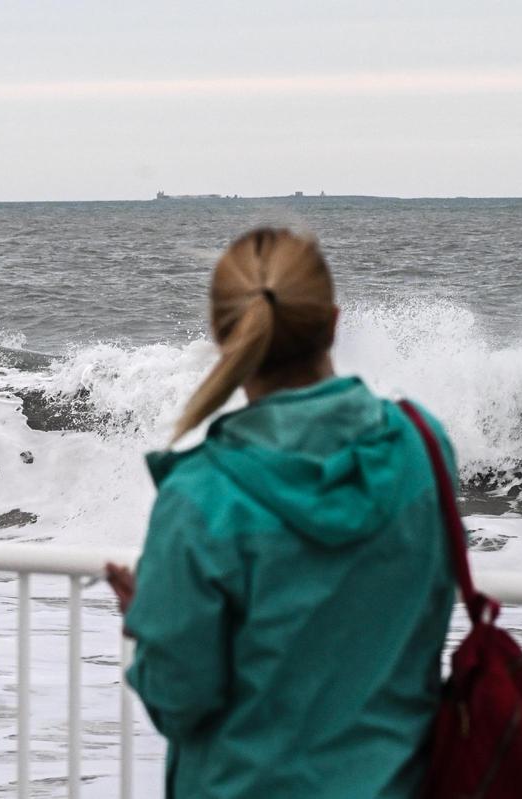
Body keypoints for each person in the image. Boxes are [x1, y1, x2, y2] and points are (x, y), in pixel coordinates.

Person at [106, 228, 457, 798]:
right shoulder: (421, 448)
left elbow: (181, 701)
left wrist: (154, 623)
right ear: (334, 321)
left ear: (225, 337)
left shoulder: (200, 495)